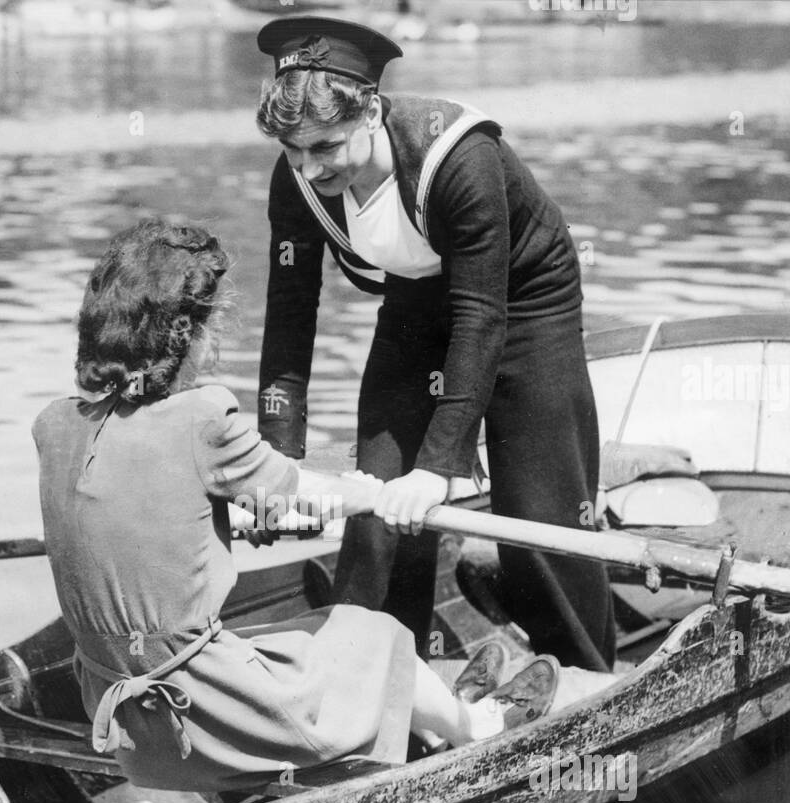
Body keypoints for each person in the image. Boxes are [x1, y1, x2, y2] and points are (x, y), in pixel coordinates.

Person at [33, 218, 540, 794]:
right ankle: (476, 728)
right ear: (188, 336)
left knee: (308, 631)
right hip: (203, 718)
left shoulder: (55, 426)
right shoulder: (202, 418)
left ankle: (422, 722)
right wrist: (374, 492)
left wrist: (242, 513)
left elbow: (146, 510)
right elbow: (303, 491)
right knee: (378, 633)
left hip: (128, 730)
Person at [254, 16, 617, 672]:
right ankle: (383, 673)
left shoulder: (459, 156)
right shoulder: (298, 177)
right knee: (377, 508)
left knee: (537, 521)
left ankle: (586, 674)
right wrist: (276, 461)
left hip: (526, 301)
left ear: (370, 112)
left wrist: (439, 467)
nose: (309, 167)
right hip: (416, 302)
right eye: (293, 151)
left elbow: (481, 316)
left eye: (326, 147)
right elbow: (289, 314)